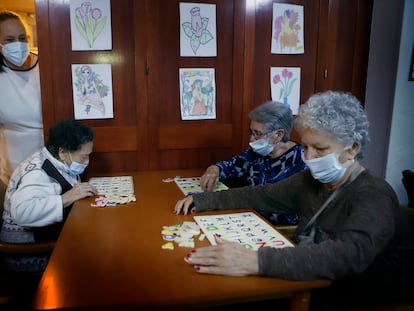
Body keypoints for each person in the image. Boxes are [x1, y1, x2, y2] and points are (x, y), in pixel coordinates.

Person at [174, 91, 414, 310]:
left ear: (352, 148)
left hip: (364, 292)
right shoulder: (309, 181)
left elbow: (347, 255)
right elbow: (259, 194)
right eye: (306, 147)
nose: (309, 157)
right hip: (320, 278)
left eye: (320, 149)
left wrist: (254, 260)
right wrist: (202, 200)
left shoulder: (374, 194)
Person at [0, 118, 97, 273]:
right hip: (26, 252)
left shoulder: (55, 160)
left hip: (46, 236)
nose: (87, 162)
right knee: (96, 257)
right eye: (83, 157)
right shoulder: (37, 172)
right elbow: (22, 211)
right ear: (63, 152)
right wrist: (66, 198)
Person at [200, 100, 306, 225]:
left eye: (258, 134)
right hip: (248, 219)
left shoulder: (302, 161)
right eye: (251, 132)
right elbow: (229, 166)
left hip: (278, 230)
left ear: (278, 134)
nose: (251, 139)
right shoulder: (255, 153)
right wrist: (214, 169)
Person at [0, 10, 44, 205]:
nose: (17, 44)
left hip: (52, 158)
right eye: (9, 40)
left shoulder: (46, 66)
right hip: (15, 165)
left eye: (21, 38)